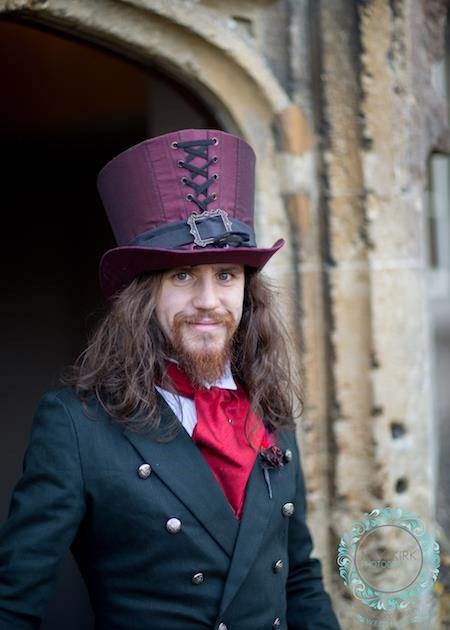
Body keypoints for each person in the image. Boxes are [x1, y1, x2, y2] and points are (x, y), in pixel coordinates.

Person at [0, 129, 341, 629]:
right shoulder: (76, 424)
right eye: (183, 276)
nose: (208, 299)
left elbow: (299, 580)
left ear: (248, 292)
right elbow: (14, 601)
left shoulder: (269, 411)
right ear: (145, 296)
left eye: (225, 274)